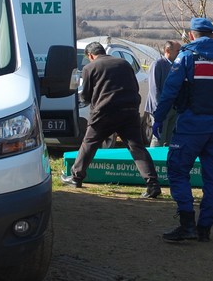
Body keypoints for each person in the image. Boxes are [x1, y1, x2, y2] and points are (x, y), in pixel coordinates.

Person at [152, 17, 213, 243]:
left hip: (190, 128)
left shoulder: (187, 56)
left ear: (192, 35)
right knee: (212, 178)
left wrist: (159, 118)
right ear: (212, 34)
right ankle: (204, 229)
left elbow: (170, 91)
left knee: (177, 171)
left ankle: (187, 225)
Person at [61, 42, 162, 199]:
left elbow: (86, 96)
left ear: (90, 55)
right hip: (129, 111)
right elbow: (134, 87)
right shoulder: (124, 63)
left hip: (104, 112)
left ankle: (76, 177)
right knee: (137, 148)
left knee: (89, 144)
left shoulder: (90, 68)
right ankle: (153, 184)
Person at [146, 40, 181, 147]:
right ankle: (154, 158)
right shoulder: (158, 64)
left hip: (173, 109)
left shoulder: (177, 66)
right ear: (168, 50)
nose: (180, 53)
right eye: (177, 51)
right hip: (160, 109)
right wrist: (159, 110)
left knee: (171, 140)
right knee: (159, 138)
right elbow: (154, 90)